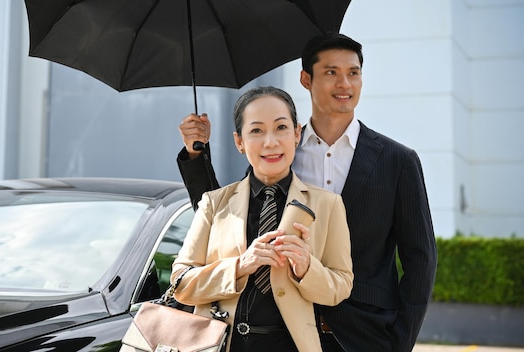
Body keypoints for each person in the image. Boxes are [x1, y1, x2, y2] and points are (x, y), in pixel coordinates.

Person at [176, 33, 437, 352]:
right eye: (331, 72)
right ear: (305, 79)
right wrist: (195, 155)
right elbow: (227, 221)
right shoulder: (281, 152)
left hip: (364, 337)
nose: (345, 83)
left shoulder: (398, 161)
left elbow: (420, 259)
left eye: (353, 73)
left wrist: (400, 343)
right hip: (286, 334)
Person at [171, 86, 353, 352]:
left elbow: (341, 287)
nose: (270, 142)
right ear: (239, 142)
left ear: (297, 134)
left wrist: (306, 268)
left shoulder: (328, 205)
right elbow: (181, 283)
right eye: (256, 130)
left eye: (281, 128)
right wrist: (239, 266)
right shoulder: (214, 203)